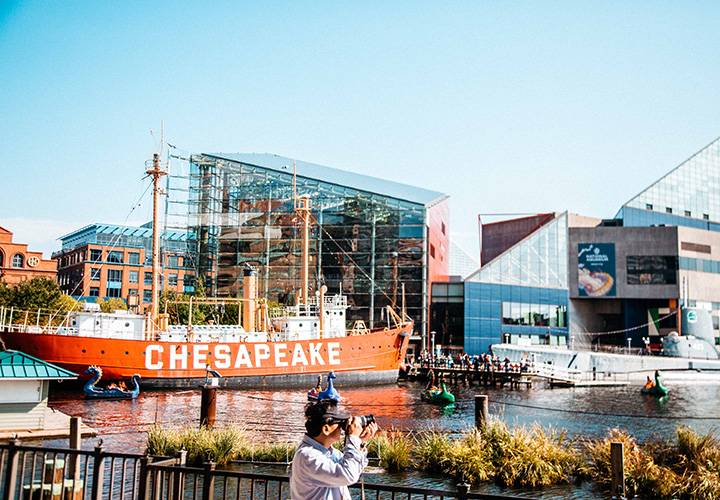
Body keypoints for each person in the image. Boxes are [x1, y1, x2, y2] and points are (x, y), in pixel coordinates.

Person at [290, 399, 378, 500]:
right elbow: (349, 475)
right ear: (326, 429)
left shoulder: (330, 452)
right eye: (338, 422)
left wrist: (360, 444)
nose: (341, 427)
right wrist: (352, 438)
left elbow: (355, 468)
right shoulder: (307, 456)